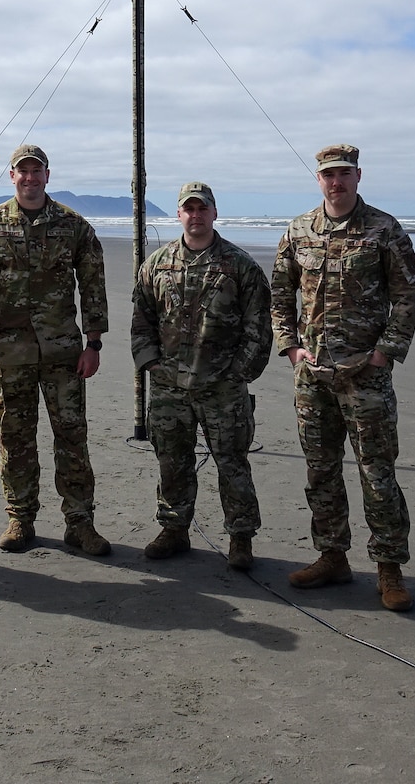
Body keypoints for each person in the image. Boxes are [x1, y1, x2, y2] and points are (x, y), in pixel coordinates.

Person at [270, 144, 415, 611]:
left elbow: (410, 295)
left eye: (343, 174)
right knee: (320, 471)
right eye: (327, 175)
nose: (335, 182)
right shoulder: (299, 230)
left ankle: (389, 568)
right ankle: (332, 556)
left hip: (365, 376)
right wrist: (291, 347)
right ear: (318, 180)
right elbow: (280, 295)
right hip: (312, 376)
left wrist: (386, 352)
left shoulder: (384, 229)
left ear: (358, 176)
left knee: (378, 474)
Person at [0, 144, 112, 556]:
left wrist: (93, 343)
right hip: (8, 355)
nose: (29, 178)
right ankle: (20, 518)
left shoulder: (73, 225)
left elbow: (93, 286)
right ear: (11, 176)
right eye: (21, 171)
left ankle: (80, 523)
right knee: (16, 440)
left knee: (72, 439)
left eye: (36, 171)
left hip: (64, 354)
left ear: (47, 175)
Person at [132, 182, 272, 570]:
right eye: (188, 209)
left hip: (222, 386)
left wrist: (239, 372)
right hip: (169, 386)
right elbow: (142, 322)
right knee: (171, 460)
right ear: (178, 215)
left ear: (214, 213)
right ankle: (174, 529)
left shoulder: (239, 265)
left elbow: (259, 327)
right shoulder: (156, 264)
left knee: (232, 462)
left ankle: (240, 537)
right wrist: (151, 364)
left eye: (202, 208)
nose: (195, 215)